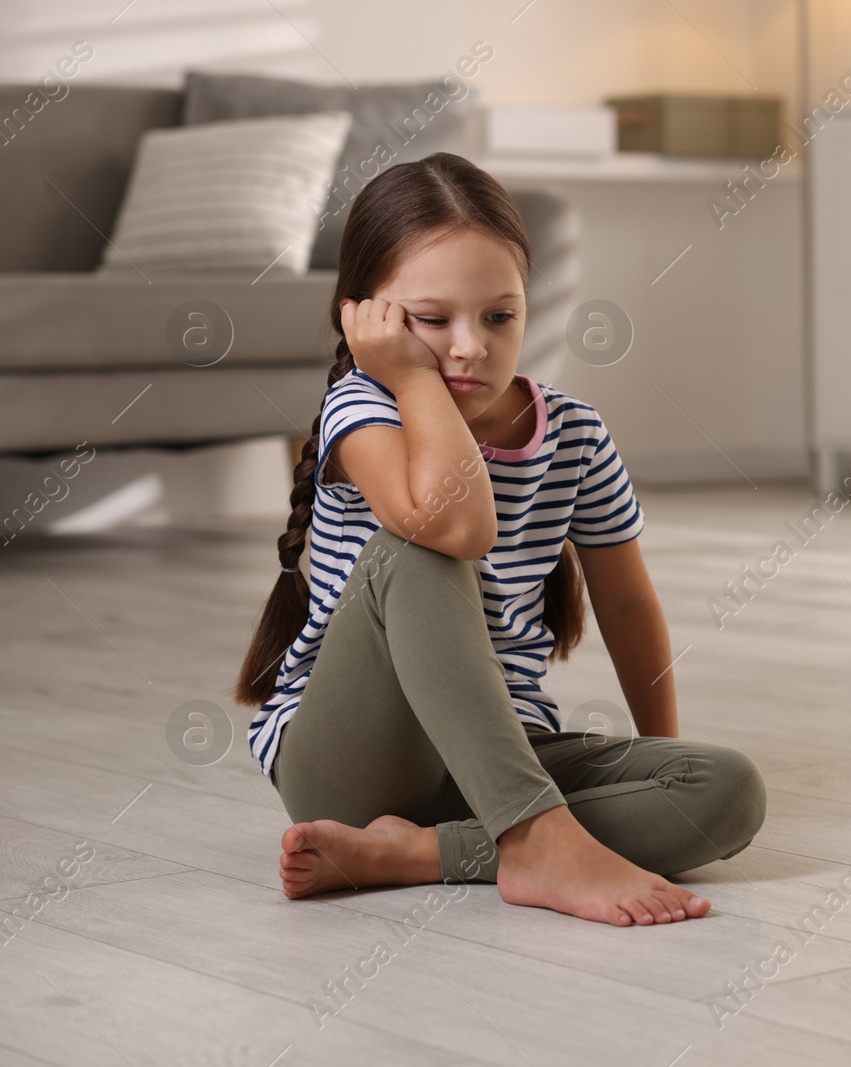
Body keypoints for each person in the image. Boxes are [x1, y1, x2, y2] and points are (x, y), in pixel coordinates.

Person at [234, 152, 766, 927]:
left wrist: (657, 763)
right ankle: (534, 835)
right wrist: (413, 380)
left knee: (729, 788)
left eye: (498, 316)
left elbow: (627, 603)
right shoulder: (364, 407)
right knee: (421, 547)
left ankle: (430, 851)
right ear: (365, 318)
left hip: (498, 752)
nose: (469, 347)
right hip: (350, 769)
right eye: (430, 319)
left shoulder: (575, 431)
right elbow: (461, 524)